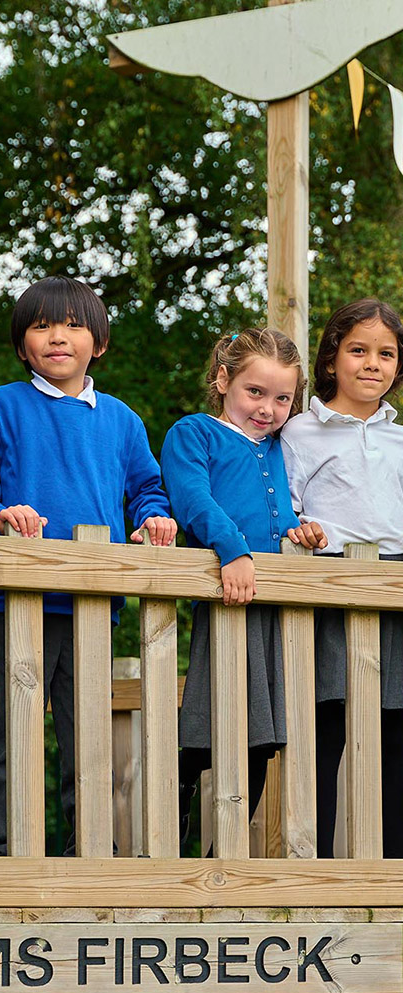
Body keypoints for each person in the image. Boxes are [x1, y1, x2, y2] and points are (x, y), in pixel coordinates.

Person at [0, 274, 176, 855]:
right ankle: (2, 851)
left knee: (86, 735)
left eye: (73, 326)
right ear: (22, 344)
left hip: (94, 601)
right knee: (15, 731)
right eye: (42, 326)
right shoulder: (4, 406)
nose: (58, 336)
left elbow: (148, 490)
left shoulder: (122, 420)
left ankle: (90, 851)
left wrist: (154, 520)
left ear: (98, 343)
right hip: (22, 596)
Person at [161, 327, 327, 851]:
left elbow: (284, 514)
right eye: (255, 392)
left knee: (263, 735)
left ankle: (225, 853)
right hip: (226, 597)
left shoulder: (280, 448)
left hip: (274, 607)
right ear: (222, 380)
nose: (268, 408)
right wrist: (233, 550)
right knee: (207, 723)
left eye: (282, 399)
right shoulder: (195, 433)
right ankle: (173, 835)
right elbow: (193, 499)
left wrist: (302, 533)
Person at [281, 298, 403, 857]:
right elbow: (284, 506)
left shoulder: (399, 439)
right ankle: (317, 866)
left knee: (395, 733)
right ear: (332, 359)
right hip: (328, 588)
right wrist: (298, 530)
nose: (372, 363)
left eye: (386, 354)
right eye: (358, 350)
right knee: (324, 729)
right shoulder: (300, 432)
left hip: (394, 593)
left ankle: (394, 869)